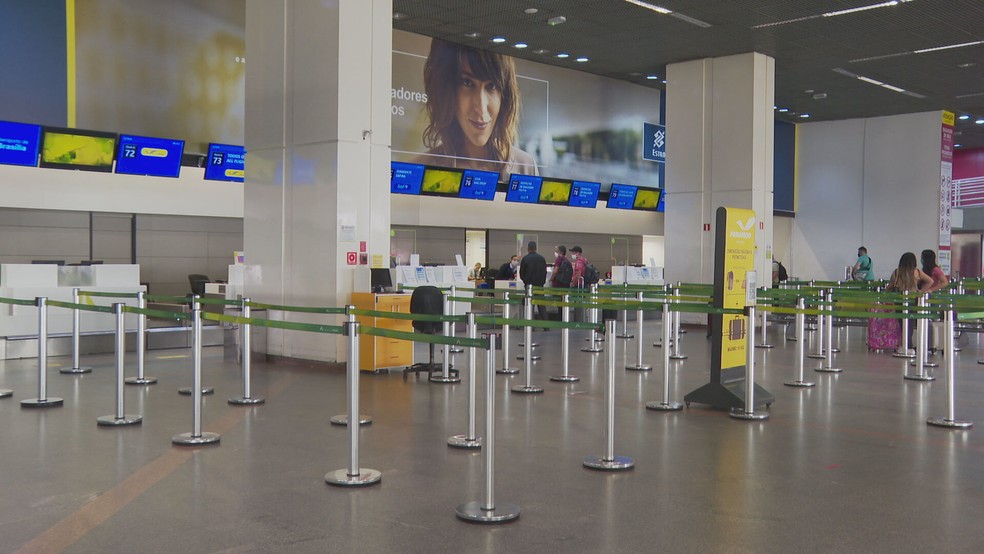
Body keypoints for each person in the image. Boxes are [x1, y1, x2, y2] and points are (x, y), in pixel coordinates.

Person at [414, 38, 538, 181]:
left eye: (491, 86)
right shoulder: (421, 168)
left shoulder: (524, 166)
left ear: (505, 96)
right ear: (447, 91)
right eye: (468, 83)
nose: (481, 108)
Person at [887, 252, 933, 351]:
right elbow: (930, 281)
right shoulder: (917, 272)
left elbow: (889, 287)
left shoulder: (897, 272)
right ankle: (909, 345)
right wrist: (921, 291)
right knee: (910, 323)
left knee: (902, 323)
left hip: (900, 300)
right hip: (913, 300)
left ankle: (905, 345)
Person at [519, 241, 548, 321]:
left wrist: (526, 281)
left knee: (529, 305)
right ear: (536, 248)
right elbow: (544, 272)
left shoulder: (525, 259)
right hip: (540, 286)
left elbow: (521, 273)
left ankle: (531, 325)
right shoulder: (542, 258)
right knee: (541, 306)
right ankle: (546, 326)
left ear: (528, 248)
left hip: (529, 286)